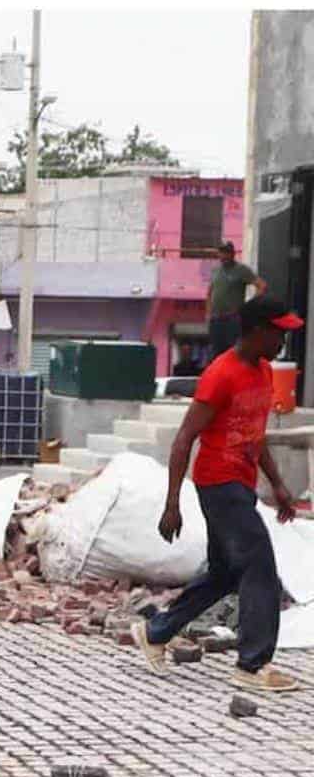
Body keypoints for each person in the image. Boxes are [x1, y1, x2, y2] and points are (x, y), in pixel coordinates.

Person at [133, 296, 304, 693]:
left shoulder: (263, 371)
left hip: (241, 483)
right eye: (279, 332)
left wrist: (277, 484)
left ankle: (157, 630)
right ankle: (252, 665)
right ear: (258, 330)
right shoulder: (220, 375)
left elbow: (254, 435)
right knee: (260, 565)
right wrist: (172, 502)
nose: (282, 341)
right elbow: (184, 440)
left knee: (227, 572)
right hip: (217, 482)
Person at [207, 241, 269, 357]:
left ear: (232, 254)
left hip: (232, 319)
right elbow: (209, 293)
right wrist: (208, 314)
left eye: (226, 252)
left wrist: (249, 307)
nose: (224, 256)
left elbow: (262, 286)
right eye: (221, 252)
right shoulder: (216, 271)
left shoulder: (241, 270)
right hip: (216, 320)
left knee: (233, 353)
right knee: (216, 354)